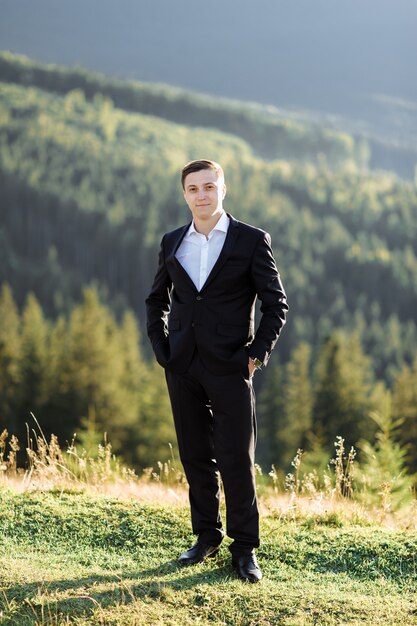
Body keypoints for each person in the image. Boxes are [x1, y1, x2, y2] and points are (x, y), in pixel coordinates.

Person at [146, 159, 288, 583]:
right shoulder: (173, 241)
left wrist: (254, 355)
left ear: (223, 189)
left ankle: (244, 550)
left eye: (209, 186)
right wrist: (162, 349)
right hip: (183, 365)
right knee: (194, 456)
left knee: (236, 459)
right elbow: (157, 301)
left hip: (230, 366)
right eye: (193, 189)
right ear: (185, 195)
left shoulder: (250, 240)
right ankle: (206, 536)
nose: (202, 195)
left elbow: (276, 303)